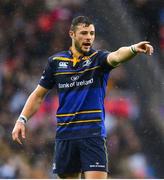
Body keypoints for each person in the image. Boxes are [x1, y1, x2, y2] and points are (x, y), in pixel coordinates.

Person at [12, 16, 154, 179]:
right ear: (72, 34)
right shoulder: (56, 62)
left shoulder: (98, 60)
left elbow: (116, 56)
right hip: (66, 137)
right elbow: (38, 95)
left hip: (92, 136)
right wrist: (21, 119)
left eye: (92, 33)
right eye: (84, 33)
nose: (89, 37)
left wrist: (133, 49)